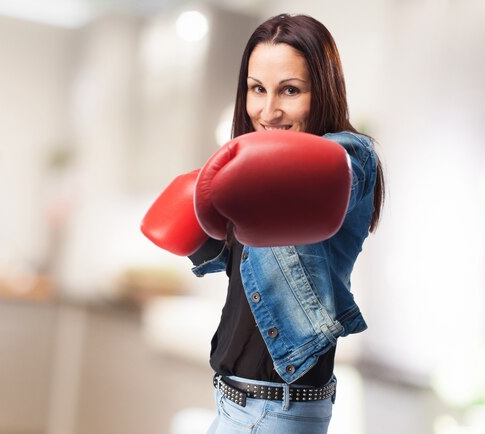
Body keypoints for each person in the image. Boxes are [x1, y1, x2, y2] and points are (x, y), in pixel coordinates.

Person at [141, 13, 385, 434]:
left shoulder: (349, 157)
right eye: (257, 89)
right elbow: (223, 255)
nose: (268, 110)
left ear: (322, 90)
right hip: (235, 403)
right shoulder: (253, 176)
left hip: (276, 411)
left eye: (290, 90)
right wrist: (205, 207)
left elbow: (335, 168)